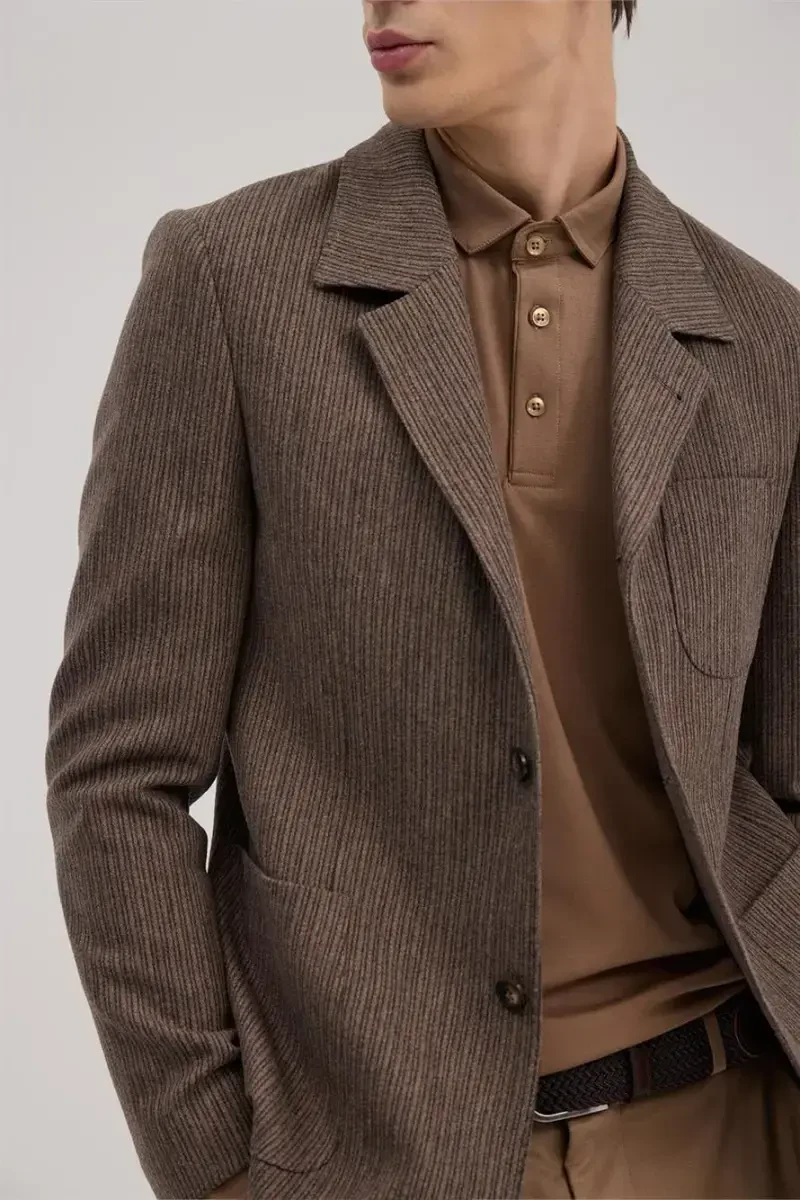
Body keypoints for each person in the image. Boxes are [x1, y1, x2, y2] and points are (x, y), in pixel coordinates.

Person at [44, 1, 800, 1197]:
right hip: (379, 1155)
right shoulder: (233, 281)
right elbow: (117, 775)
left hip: (732, 1131)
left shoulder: (763, 335)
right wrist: (213, 1168)